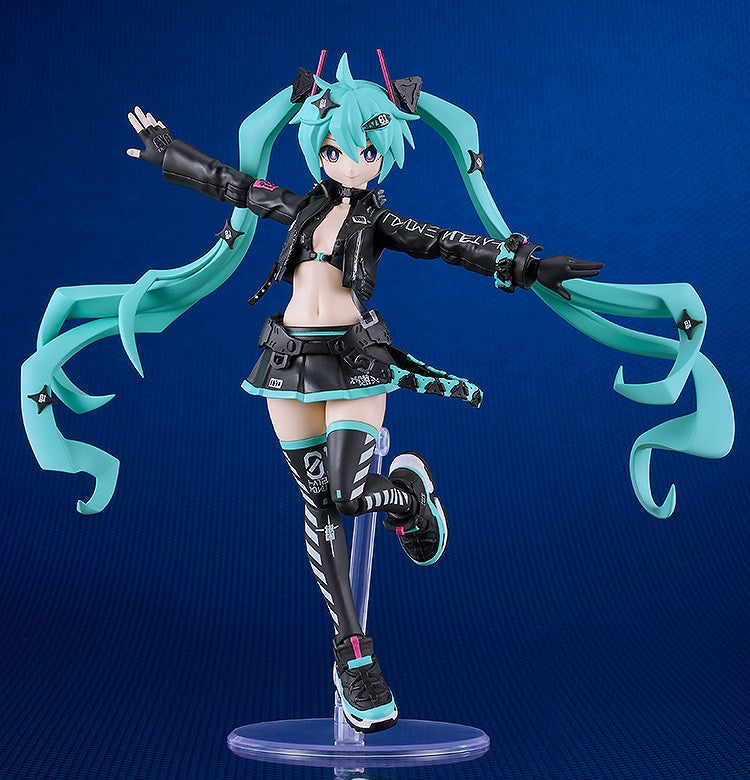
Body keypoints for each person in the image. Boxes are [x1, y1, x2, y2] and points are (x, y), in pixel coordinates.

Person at [21, 51, 734, 734]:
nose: (350, 162)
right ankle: (353, 653)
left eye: (365, 150)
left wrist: (527, 265)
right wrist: (168, 153)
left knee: (348, 491)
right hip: (285, 360)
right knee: (319, 503)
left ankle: (408, 498)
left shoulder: (380, 221)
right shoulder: (297, 207)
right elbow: (234, 185)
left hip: (357, 360)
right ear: (318, 149)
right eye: (335, 149)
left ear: (383, 152)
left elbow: (448, 243)